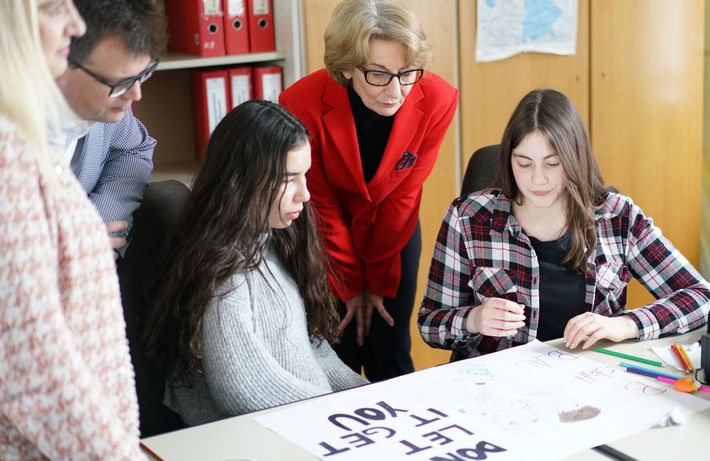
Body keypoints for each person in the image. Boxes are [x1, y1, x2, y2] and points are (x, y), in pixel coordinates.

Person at [418, 87, 710, 362]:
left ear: (574, 158)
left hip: (589, 381)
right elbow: (430, 323)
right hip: (494, 387)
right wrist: (473, 319)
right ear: (508, 160)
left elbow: (701, 297)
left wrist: (627, 324)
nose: (538, 179)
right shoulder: (468, 217)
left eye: (553, 163)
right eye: (524, 163)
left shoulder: (617, 217)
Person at [141, 100, 367, 427]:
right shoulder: (223, 269)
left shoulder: (274, 239)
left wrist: (371, 398)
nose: (304, 193)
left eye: (305, 175)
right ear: (244, 179)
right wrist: (335, 412)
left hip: (304, 422)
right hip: (256, 439)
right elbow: (242, 390)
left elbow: (313, 353)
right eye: (289, 178)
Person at [0, 0, 156, 461]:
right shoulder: (12, 157)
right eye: (51, 8)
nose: (72, 22)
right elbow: (36, 375)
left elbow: (136, 149)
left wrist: (92, 219)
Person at [279, 0, 459, 381]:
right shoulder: (301, 104)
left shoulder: (438, 99)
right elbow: (322, 205)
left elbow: (403, 197)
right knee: (338, 347)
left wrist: (375, 285)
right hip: (324, 233)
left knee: (390, 349)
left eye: (407, 72)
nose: (396, 90)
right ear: (347, 66)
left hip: (393, 232)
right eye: (378, 74)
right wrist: (350, 286)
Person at [54, 0, 166, 258]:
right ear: (61, 59)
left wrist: (100, 223)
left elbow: (135, 151)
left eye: (143, 75)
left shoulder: (106, 112)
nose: (136, 94)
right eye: (121, 82)